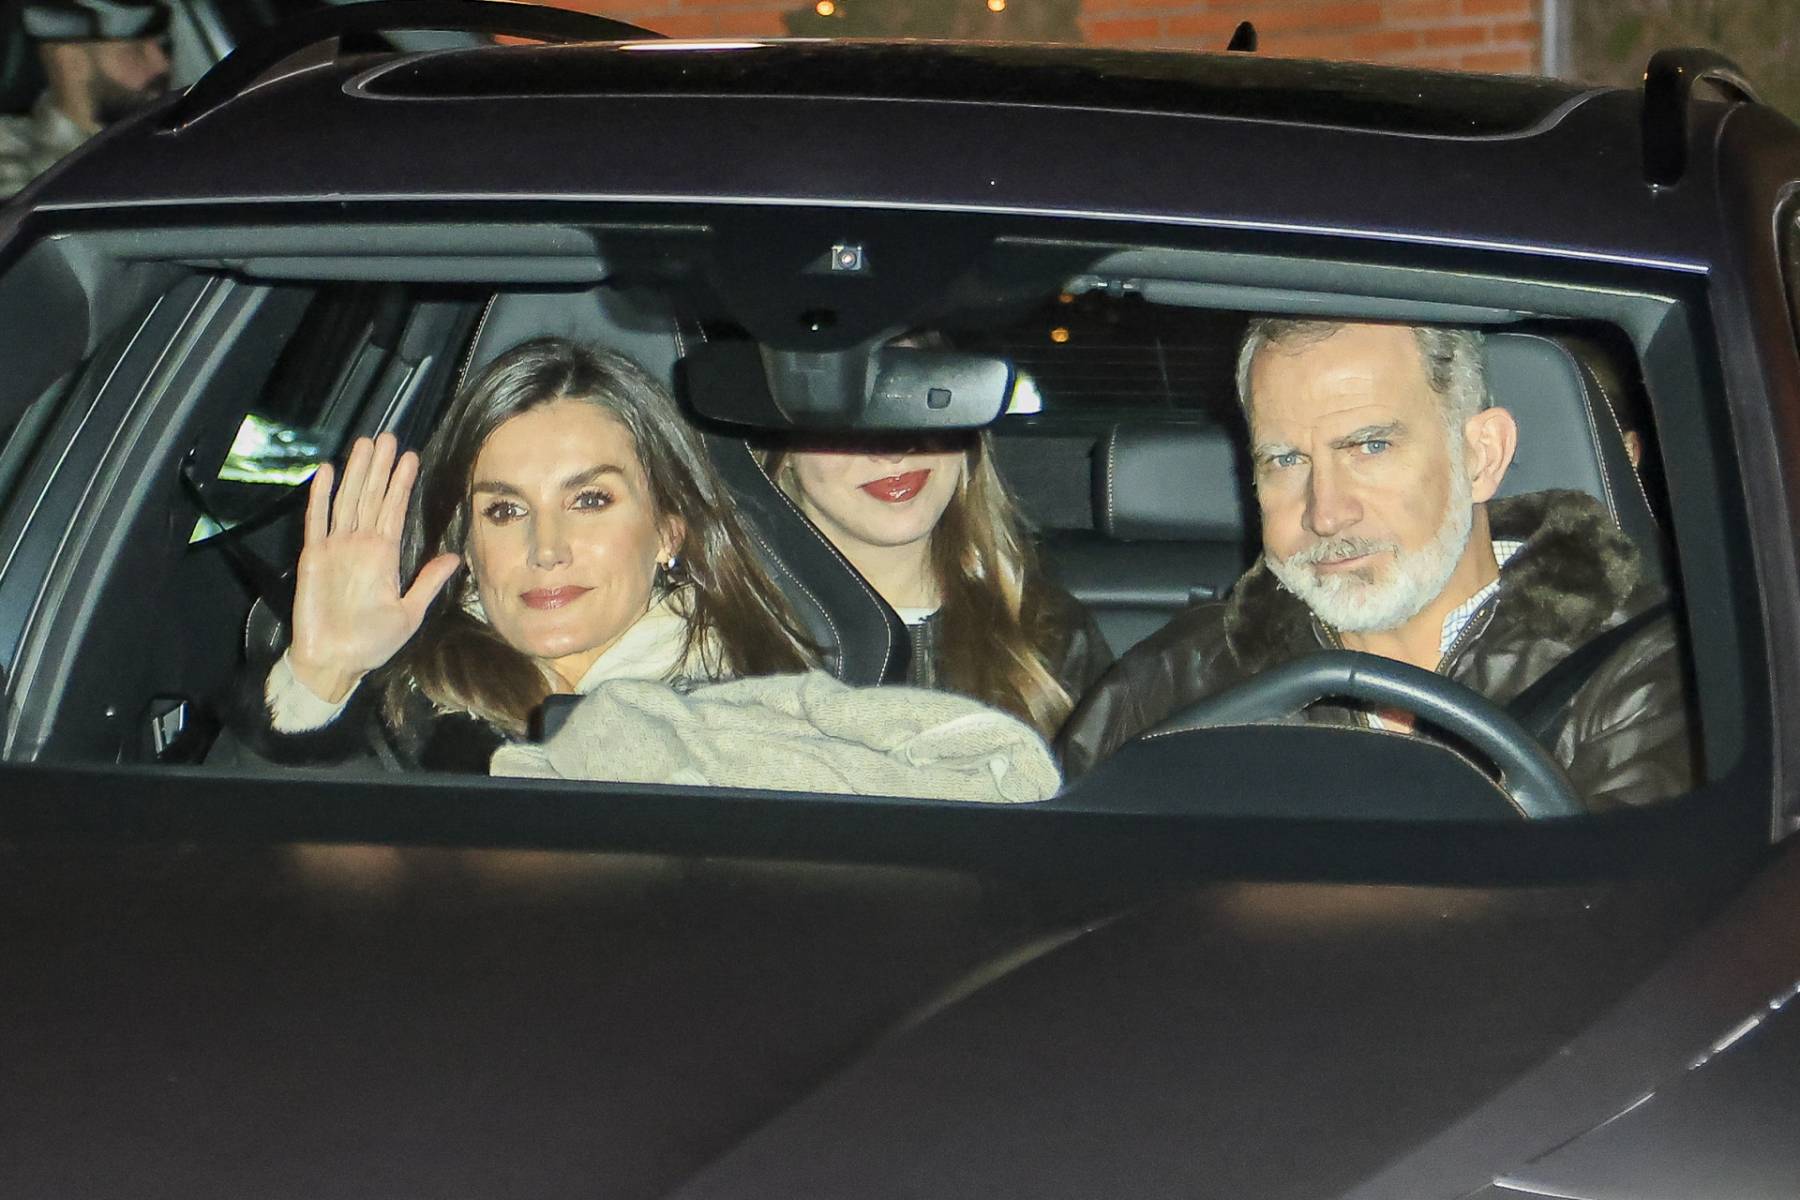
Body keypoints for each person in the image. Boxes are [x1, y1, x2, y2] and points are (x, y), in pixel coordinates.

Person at [1057, 319, 1694, 810]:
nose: (1326, 512)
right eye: (1285, 460)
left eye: (1371, 446)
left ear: (1481, 456)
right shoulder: (1172, 683)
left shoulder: (1649, 674)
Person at [225, 337, 816, 771]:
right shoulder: (399, 719)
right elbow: (224, 881)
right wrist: (321, 674)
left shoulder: (775, 719)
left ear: (667, 530)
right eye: (505, 511)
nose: (547, 549)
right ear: (469, 548)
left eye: (589, 499)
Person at [765, 430, 1111, 741]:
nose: (891, 450)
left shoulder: (1049, 637)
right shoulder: (724, 644)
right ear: (785, 452)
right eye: (848, 419)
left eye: (916, 406)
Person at [0, 1, 170, 201]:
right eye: (136, 49)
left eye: (162, 45)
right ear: (72, 62)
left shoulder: (168, 143)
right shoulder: (11, 160)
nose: (162, 64)